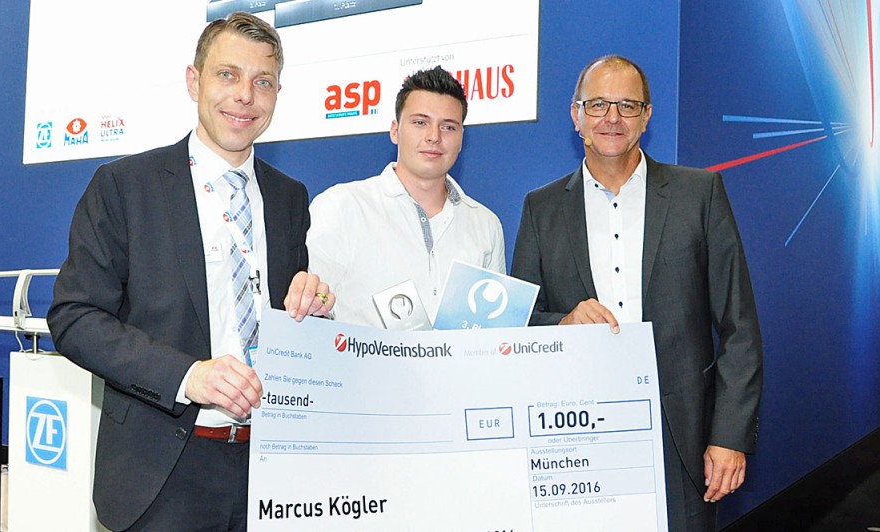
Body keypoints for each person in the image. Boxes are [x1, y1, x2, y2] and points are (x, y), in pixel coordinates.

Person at [47, 13, 334, 531]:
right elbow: (75, 316)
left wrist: (313, 312)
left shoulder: (289, 198)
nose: (245, 95)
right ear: (193, 81)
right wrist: (188, 376)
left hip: (271, 469)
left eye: (263, 82)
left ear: (277, 94)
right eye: (228, 75)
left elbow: (284, 315)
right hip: (161, 471)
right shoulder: (124, 186)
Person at [510, 55, 763, 531]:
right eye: (598, 104)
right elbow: (520, 323)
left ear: (646, 117)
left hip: (683, 437)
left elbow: (740, 326)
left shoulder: (699, 194)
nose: (612, 118)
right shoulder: (541, 208)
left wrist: (729, 436)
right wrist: (563, 322)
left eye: (627, 105)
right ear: (576, 116)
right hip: (577, 434)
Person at [307, 66, 505, 328]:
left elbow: (493, 332)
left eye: (448, 127)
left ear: (461, 139)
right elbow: (309, 306)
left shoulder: (485, 224)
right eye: (420, 122)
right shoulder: (342, 207)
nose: (434, 137)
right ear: (395, 131)